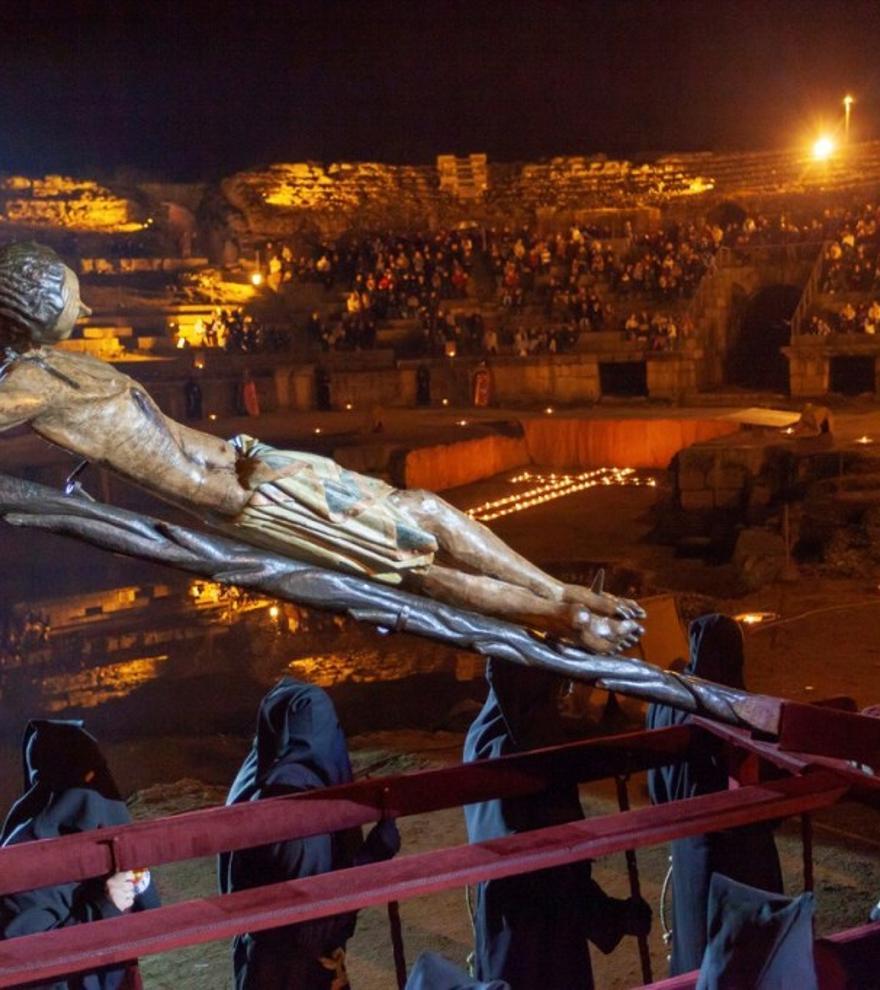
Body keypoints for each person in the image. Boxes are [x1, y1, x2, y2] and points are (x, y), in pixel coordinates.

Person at [0, 242, 643, 655]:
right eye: (70, 297)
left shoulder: (53, 364)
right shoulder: (28, 384)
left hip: (255, 467)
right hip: (250, 501)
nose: (85, 308)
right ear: (34, 308)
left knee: (420, 517)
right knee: (411, 557)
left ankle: (564, 597)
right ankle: (565, 616)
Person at [464, 659, 652, 989]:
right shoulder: (531, 747)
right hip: (542, 937)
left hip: (503, 923)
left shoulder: (484, 733)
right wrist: (613, 917)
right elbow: (553, 869)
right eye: (554, 687)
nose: (558, 697)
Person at [219, 678, 400, 989]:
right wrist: (377, 851)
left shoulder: (257, 776)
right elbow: (316, 913)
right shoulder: (297, 804)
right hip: (296, 971)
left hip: (264, 961)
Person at [646, 614, 783, 976]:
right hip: (739, 859)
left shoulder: (666, 704)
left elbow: (656, 787)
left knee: (696, 955)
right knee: (742, 961)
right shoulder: (744, 710)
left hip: (689, 852)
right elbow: (768, 795)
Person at [0, 719, 159, 990]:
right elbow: (27, 966)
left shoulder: (109, 831)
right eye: (86, 777)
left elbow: (151, 913)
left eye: (99, 775)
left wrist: (132, 881)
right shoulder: (25, 854)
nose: (96, 793)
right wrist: (104, 906)